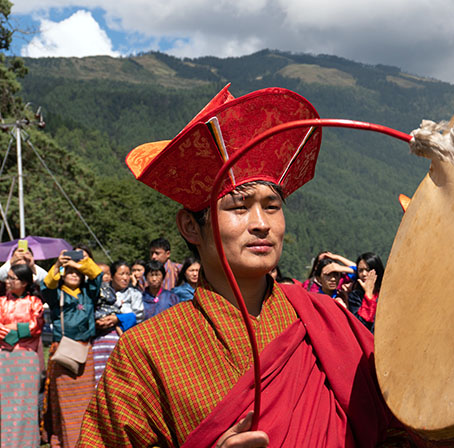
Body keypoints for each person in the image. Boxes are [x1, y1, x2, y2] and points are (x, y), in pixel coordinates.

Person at [79, 85, 408, 447]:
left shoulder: (327, 320)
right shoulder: (148, 350)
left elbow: (399, 427)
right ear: (191, 226)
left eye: (272, 206)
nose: (261, 223)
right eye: (238, 207)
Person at [40, 249, 102, 448]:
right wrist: (58, 265)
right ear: (63, 276)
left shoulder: (88, 293)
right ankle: (66, 442)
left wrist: (79, 263)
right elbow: (46, 285)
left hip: (85, 353)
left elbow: (98, 276)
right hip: (63, 352)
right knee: (64, 404)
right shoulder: (56, 294)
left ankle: (85, 442)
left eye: (77, 273)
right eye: (69, 272)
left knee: (86, 404)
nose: (74, 274)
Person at [0, 263, 44, 447]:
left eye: (12, 278)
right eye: (7, 277)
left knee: (27, 404)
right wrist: (15, 333)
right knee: (5, 404)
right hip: (4, 358)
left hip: (27, 358)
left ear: (25, 282)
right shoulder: (2, 301)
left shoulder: (35, 302)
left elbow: (36, 327)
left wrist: (11, 329)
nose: (8, 281)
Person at [92, 261, 143, 384]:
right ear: (113, 276)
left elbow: (139, 316)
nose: (125, 277)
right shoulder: (101, 291)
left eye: (127, 274)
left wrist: (118, 319)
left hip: (123, 340)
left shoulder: (134, 293)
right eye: (121, 274)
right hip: (99, 341)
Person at [340, 252, 385, 333]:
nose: (364, 274)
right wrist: (368, 295)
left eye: (368, 270)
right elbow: (360, 326)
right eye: (360, 270)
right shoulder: (355, 296)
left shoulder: (387, 292)